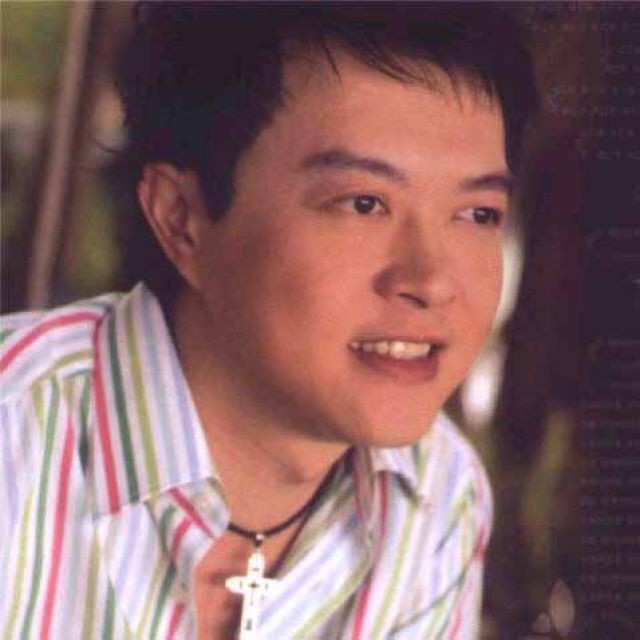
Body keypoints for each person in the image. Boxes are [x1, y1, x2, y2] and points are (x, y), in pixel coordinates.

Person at [0, 3, 536, 638]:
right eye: (364, 203)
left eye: (477, 214)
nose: (432, 281)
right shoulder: (17, 440)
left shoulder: (437, 497)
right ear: (181, 219)